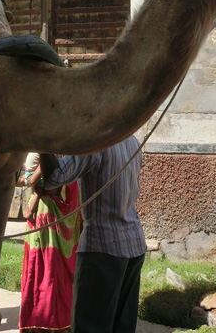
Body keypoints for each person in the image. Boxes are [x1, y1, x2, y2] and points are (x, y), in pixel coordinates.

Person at [39, 136, 145, 333]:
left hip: (102, 247)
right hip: (134, 243)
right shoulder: (132, 141)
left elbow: (53, 178)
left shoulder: (95, 141)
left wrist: (41, 140)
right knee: (122, 327)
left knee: (90, 326)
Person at [19, 152, 82, 333]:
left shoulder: (53, 154)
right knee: (48, 268)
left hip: (50, 216)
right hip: (52, 215)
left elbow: (41, 183)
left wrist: (31, 186)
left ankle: (47, 320)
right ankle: (48, 320)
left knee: (48, 269)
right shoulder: (69, 157)